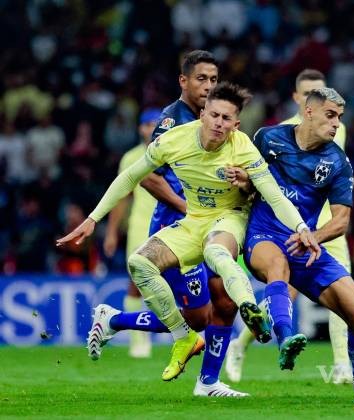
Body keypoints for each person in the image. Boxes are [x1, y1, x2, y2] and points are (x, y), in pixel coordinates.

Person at [56, 82, 320, 387]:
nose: (219, 123)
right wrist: (93, 219)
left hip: (230, 218)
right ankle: (183, 337)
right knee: (139, 264)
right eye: (214, 115)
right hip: (193, 220)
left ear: (236, 125)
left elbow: (274, 195)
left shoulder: (243, 147)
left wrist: (302, 228)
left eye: (226, 119)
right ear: (203, 114)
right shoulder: (174, 139)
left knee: (216, 252)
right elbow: (130, 177)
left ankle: (249, 307)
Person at [90, 51, 251, 397]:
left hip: (213, 227)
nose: (208, 86)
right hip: (178, 229)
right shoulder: (171, 121)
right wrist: (187, 208)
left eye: (213, 79)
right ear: (184, 81)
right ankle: (114, 319)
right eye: (201, 79)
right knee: (198, 318)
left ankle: (208, 382)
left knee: (225, 302)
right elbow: (148, 177)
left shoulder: (215, 118)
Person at [233, 88, 354, 405]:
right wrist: (244, 182)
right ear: (309, 111)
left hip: (306, 246)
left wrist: (315, 236)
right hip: (264, 235)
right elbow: (247, 181)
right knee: (278, 266)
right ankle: (285, 338)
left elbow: (341, 220)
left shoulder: (337, 162)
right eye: (330, 115)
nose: (336, 124)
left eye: (339, 117)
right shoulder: (268, 138)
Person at [225, 69, 352, 385]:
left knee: (343, 291)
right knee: (286, 292)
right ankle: (241, 344)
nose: (333, 119)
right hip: (285, 229)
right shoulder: (276, 135)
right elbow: (257, 182)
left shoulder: (337, 129)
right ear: (299, 99)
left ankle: (342, 365)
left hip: (326, 225)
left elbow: (336, 175)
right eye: (308, 92)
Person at [102, 108, 161, 358]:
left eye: (155, 124)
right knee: (137, 283)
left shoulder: (175, 152)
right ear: (140, 128)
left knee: (180, 281)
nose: (151, 129)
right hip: (139, 225)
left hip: (171, 225)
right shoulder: (131, 157)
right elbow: (122, 197)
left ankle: (185, 335)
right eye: (147, 124)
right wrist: (111, 232)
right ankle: (139, 342)